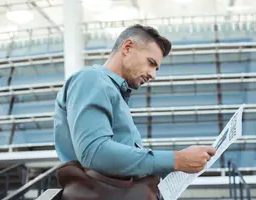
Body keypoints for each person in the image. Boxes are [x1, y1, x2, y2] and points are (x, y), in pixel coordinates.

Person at [53, 24, 216, 199]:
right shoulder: (91, 79)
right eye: (151, 63)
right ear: (127, 47)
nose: (153, 75)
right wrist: (176, 160)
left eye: (156, 68)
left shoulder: (114, 93)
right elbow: (94, 152)